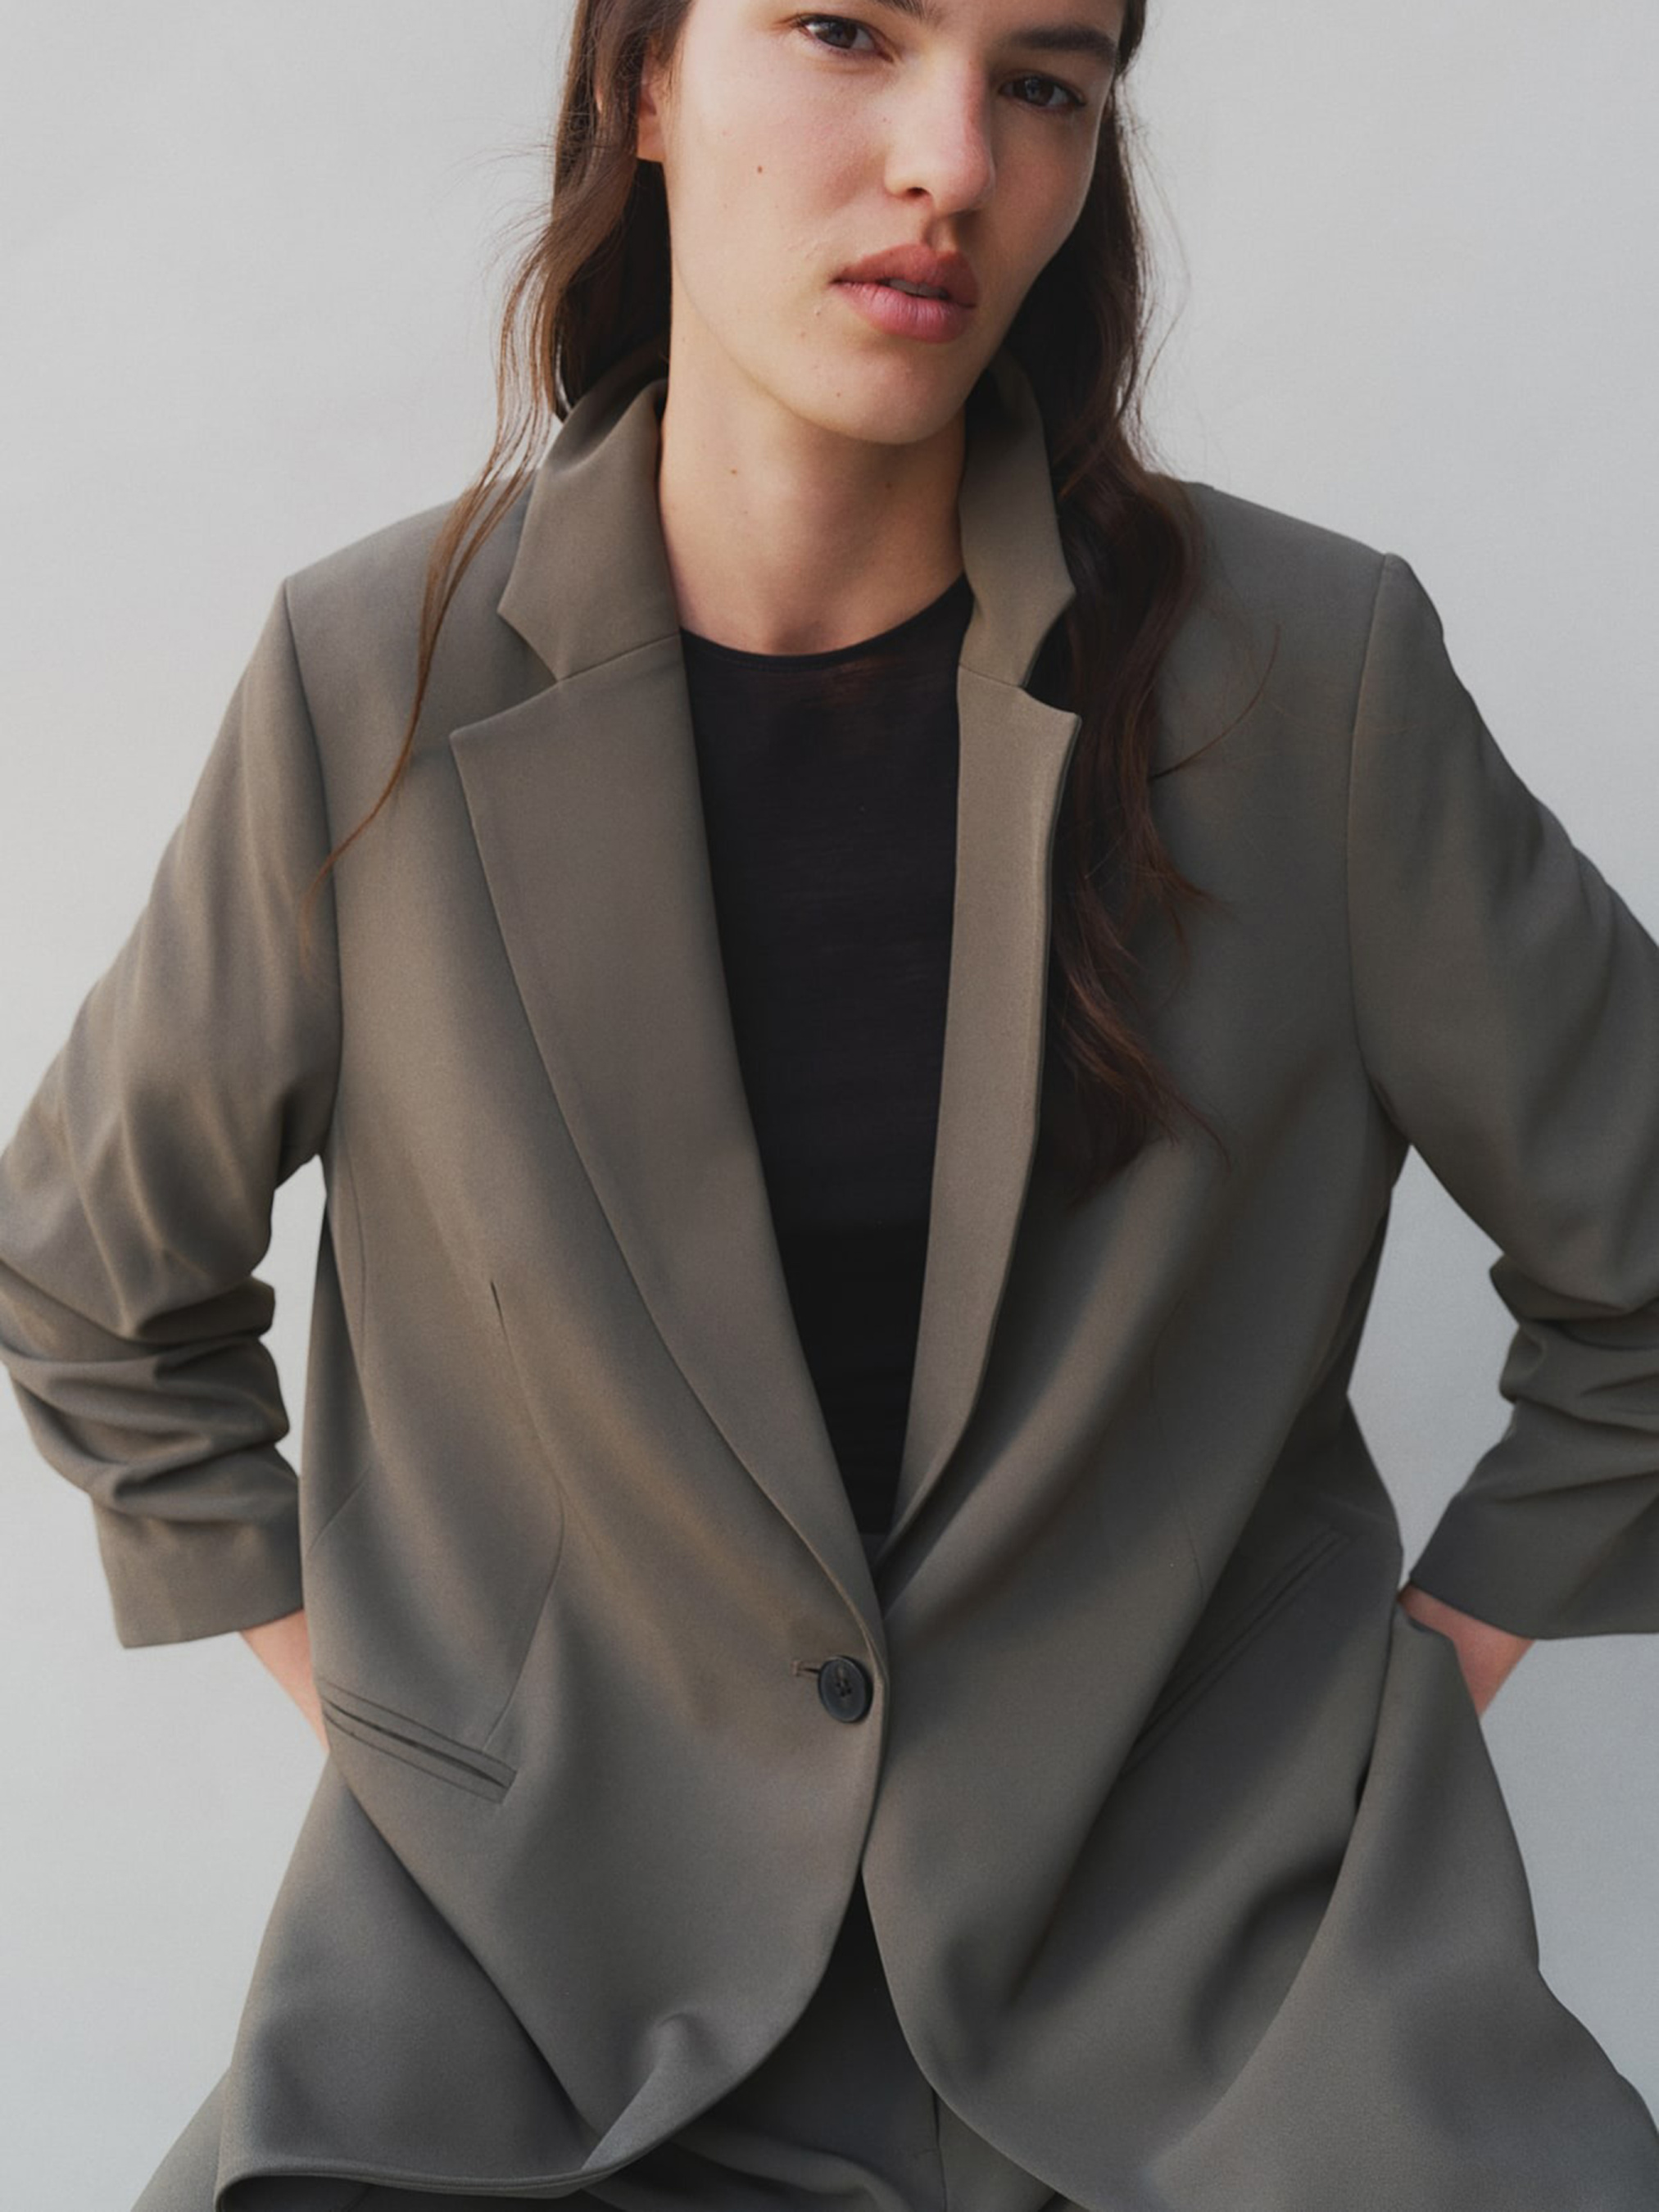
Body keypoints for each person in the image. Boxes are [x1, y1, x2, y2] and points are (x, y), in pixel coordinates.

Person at [3, 0, 1658, 2207]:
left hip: (1222, 2007)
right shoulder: (370, 678)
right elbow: (93, 1287)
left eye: (1043, 83)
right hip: (534, 2022)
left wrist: (1375, 1716)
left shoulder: (1305, 674)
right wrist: (445, 1751)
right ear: (645, 80)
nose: (951, 162)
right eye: (845, 29)